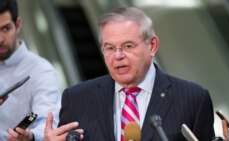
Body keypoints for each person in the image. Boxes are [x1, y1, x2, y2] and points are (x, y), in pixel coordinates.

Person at [44, 7, 215, 141]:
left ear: (153, 45)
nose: (118, 56)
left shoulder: (193, 99)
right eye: (110, 48)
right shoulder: (76, 99)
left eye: (128, 46)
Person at [0, 0, 61, 140]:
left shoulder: (42, 71)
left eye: (5, 28)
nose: (0, 39)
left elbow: (47, 122)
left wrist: (31, 136)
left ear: (18, 24)